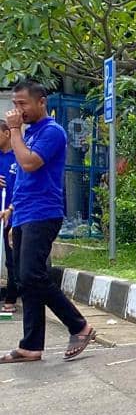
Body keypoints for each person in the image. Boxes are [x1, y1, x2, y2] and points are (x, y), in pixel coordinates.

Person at [2, 79, 96, 362]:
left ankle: (79, 325)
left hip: (44, 213)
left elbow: (30, 163)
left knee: (32, 275)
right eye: (15, 104)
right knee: (24, 278)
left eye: (23, 104)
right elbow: (24, 179)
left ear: (41, 102)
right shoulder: (29, 134)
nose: (18, 110)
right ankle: (31, 345)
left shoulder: (52, 132)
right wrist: (13, 209)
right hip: (24, 213)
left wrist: (15, 131)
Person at [0, 120, 18, 316]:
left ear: (6, 133)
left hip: (13, 215)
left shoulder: (18, 156)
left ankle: (12, 296)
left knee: (12, 259)